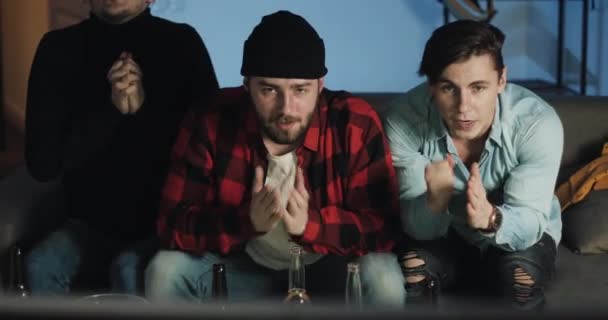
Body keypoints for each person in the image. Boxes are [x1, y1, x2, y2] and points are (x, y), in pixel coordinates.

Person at [144, 10, 405, 307]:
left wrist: (311, 225)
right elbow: (172, 222)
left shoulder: (354, 122)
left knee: (384, 278)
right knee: (165, 271)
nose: (286, 108)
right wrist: (245, 221)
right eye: (269, 90)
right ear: (247, 86)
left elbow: (384, 228)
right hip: (242, 266)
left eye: (300, 90)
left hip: (329, 266)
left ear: (320, 85)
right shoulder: (211, 118)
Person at [24, 0, 219, 296]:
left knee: (128, 270)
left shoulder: (182, 43)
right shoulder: (58, 48)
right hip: (88, 224)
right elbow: (42, 165)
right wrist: (110, 111)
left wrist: (142, 109)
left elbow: (210, 152)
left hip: (164, 223)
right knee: (40, 265)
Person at [384, 20, 563, 310]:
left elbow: (529, 222)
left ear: (502, 80)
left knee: (521, 280)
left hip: (516, 232)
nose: (463, 106)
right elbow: (416, 227)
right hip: (446, 234)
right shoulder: (403, 120)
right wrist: (434, 201)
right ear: (431, 85)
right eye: (448, 88)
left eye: (478, 87)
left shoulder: (536, 123)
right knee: (413, 272)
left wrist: (491, 219)